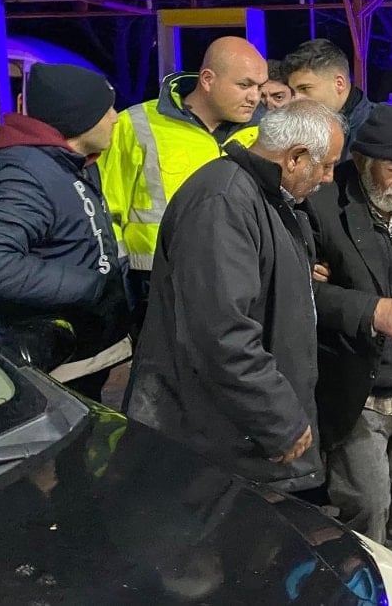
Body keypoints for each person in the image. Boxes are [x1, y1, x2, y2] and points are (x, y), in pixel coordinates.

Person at [123, 100, 343, 493]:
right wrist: (279, 418)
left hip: (236, 432)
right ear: (295, 158)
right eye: (326, 165)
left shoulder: (268, 199)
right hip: (212, 442)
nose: (328, 178)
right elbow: (221, 334)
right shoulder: (223, 202)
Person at [305, 103, 392, 586]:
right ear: (362, 159)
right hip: (359, 390)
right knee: (367, 504)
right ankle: (368, 590)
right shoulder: (321, 205)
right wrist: (371, 310)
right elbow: (297, 293)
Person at [0, 63, 130, 402]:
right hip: (47, 366)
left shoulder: (68, 162)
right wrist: (91, 286)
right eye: (105, 110)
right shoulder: (21, 172)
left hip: (76, 355)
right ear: (77, 116)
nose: (115, 118)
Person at [98, 36, 267, 333]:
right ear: (208, 79)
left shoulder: (265, 132)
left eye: (259, 87)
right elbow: (106, 211)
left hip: (242, 279)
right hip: (155, 284)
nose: (255, 97)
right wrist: (119, 285)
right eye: (244, 85)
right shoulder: (136, 124)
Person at [284, 39, 392, 156]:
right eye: (293, 91)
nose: (296, 99)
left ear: (339, 84)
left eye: (304, 88)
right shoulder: (294, 132)